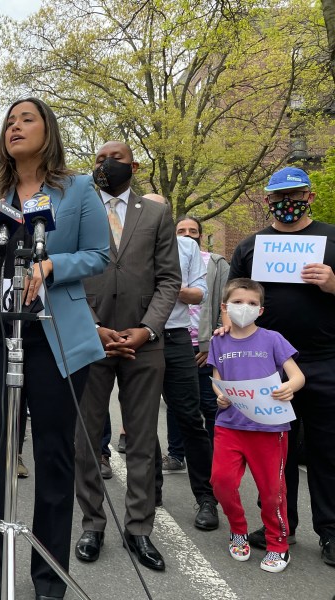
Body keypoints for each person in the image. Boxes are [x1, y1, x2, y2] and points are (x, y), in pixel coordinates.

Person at [0, 98, 109, 600]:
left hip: (55, 339)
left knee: (53, 456)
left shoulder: (80, 189)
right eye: (9, 120)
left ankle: (48, 582)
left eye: (27, 119)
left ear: (48, 131)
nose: (14, 126)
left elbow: (98, 254)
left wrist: (50, 267)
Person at [74, 141, 181, 572]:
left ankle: (139, 529)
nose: (105, 165)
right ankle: (92, 524)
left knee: (141, 441)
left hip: (144, 343)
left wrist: (146, 330)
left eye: (114, 159)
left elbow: (169, 279)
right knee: (85, 440)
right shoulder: (79, 210)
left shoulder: (155, 213)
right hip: (90, 340)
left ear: (134, 166)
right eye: (99, 159)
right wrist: (92, 328)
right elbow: (68, 276)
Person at [228, 166, 335, 568]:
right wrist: (228, 319)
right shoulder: (252, 246)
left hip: (325, 361)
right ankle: (278, 526)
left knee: (327, 452)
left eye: (295, 194)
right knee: (274, 454)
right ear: (267, 199)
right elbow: (235, 300)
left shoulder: (332, 238)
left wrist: (332, 283)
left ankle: (331, 531)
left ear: (309, 196)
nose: (285, 203)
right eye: (277, 196)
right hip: (267, 365)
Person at [208, 278, 304, 573]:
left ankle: (278, 543)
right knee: (221, 482)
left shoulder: (272, 338)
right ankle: (238, 529)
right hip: (230, 425)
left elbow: (297, 375)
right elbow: (217, 377)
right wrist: (220, 396)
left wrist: (290, 387)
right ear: (225, 307)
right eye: (238, 302)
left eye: (251, 304)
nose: (244, 308)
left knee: (272, 490)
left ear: (261, 310)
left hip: (268, 428)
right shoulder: (218, 340)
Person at [142, 194, 218, 529]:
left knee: (190, 416)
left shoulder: (185, 248)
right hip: (140, 336)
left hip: (174, 336)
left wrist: (168, 288)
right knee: (141, 418)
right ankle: (150, 491)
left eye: (160, 208)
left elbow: (199, 293)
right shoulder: (125, 243)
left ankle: (206, 497)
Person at [170, 215, 230, 452]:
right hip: (176, 341)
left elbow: (224, 304)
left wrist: (211, 345)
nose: (187, 235)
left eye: (192, 231)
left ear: (201, 236)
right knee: (178, 403)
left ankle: (217, 455)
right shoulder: (166, 260)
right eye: (181, 231)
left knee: (210, 403)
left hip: (206, 346)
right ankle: (175, 453)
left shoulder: (216, 263)